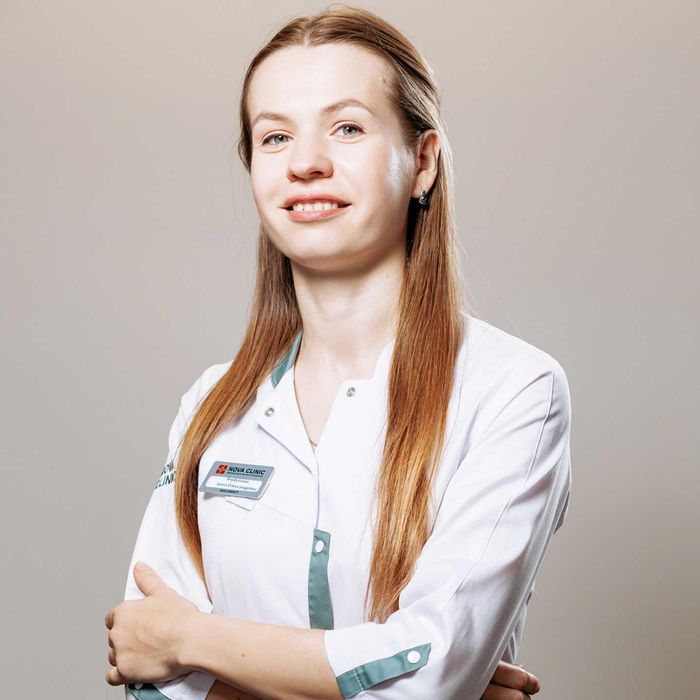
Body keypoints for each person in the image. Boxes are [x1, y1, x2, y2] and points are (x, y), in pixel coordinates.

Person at [104, 5, 571, 700]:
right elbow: (149, 674)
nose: (305, 163)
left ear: (422, 162)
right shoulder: (211, 404)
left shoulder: (514, 390)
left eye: (347, 128)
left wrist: (191, 642)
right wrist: (394, 674)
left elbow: (428, 677)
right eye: (275, 137)